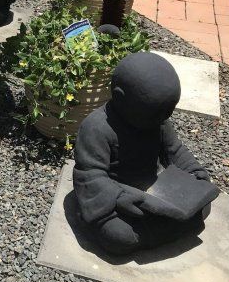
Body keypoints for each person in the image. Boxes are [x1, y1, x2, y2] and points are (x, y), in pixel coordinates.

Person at [73, 52, 217, 254]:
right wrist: (119, 197)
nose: (164, 118)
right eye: (156, 113)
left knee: (203, 208)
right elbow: (89, 174)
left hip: (158, 189)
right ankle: (150, 231)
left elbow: (174, 151)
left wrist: (194, 172)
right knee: (118, 236)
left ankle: (153, 230)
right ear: (120, 97)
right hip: (118, 193)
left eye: (168, 112)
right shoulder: (97, 128)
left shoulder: (159, 121)